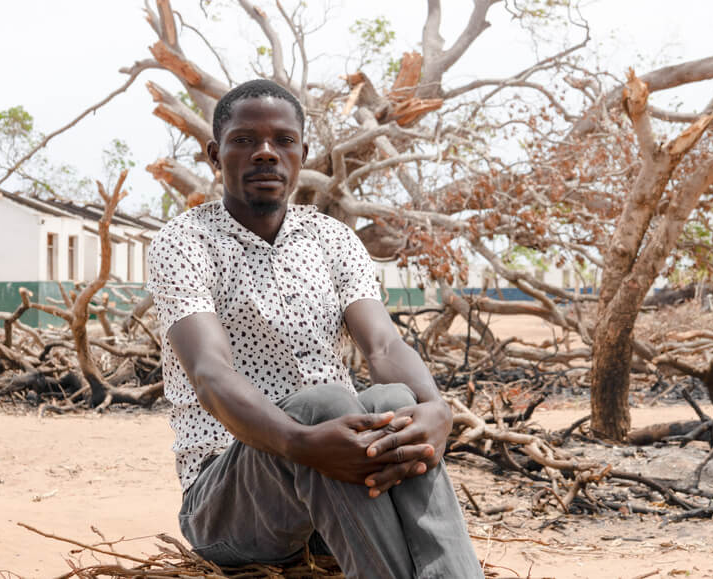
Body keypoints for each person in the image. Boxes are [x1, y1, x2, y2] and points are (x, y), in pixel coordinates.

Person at [146, 78, 482, 578]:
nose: (265, 153)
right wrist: (300, 443)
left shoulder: (331, 238)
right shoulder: (185, 241)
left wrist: (435, 409)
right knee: (320, 404)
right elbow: (210, 373)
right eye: (245, 140)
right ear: (215, 155)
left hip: (340, 482)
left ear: (302, 152)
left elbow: (384, 343)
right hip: (231, 505)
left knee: (394, 403)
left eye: (283, 140)